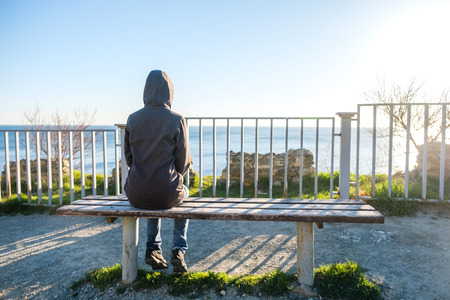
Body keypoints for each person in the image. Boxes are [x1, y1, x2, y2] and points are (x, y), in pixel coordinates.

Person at [123, 70, 190, 273]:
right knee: (181, 192)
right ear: (169, 92)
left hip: (136, 193)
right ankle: (178, 249)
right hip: (166, 191)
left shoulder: (132, 119)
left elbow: (129, 159)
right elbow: (183, 162)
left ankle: (153, 248)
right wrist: (175, 175)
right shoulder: (177, 119)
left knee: (153, 189)